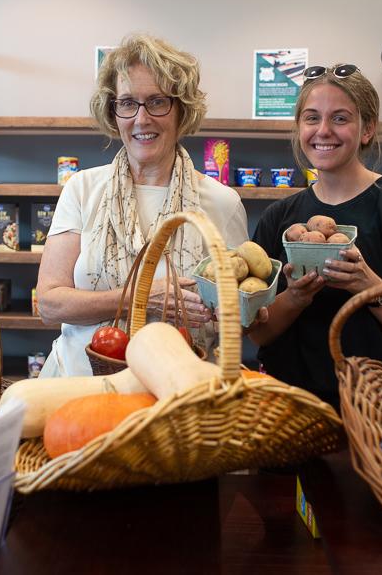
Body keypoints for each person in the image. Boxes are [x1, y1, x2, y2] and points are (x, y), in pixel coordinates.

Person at [36, 34, 250, 377]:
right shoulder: (82, 189)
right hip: (78, 384)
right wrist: (143, 295)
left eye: (157, 102)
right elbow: (49, 304)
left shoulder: (222, 204)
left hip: (178, 392)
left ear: (181, 110)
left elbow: (237, 314)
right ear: (113, 112)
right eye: (127, 103)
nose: (141, 118)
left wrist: (243, 309)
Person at [247, 63, 382, 405]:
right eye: (311, 118)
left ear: (367, 129)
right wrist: (295, 298)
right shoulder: (280, 217)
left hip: (375, 408)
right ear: (299, 128)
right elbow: (258, 332)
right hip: (291, 406)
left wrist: (369, 286)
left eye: (340, 118)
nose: (323, 130)